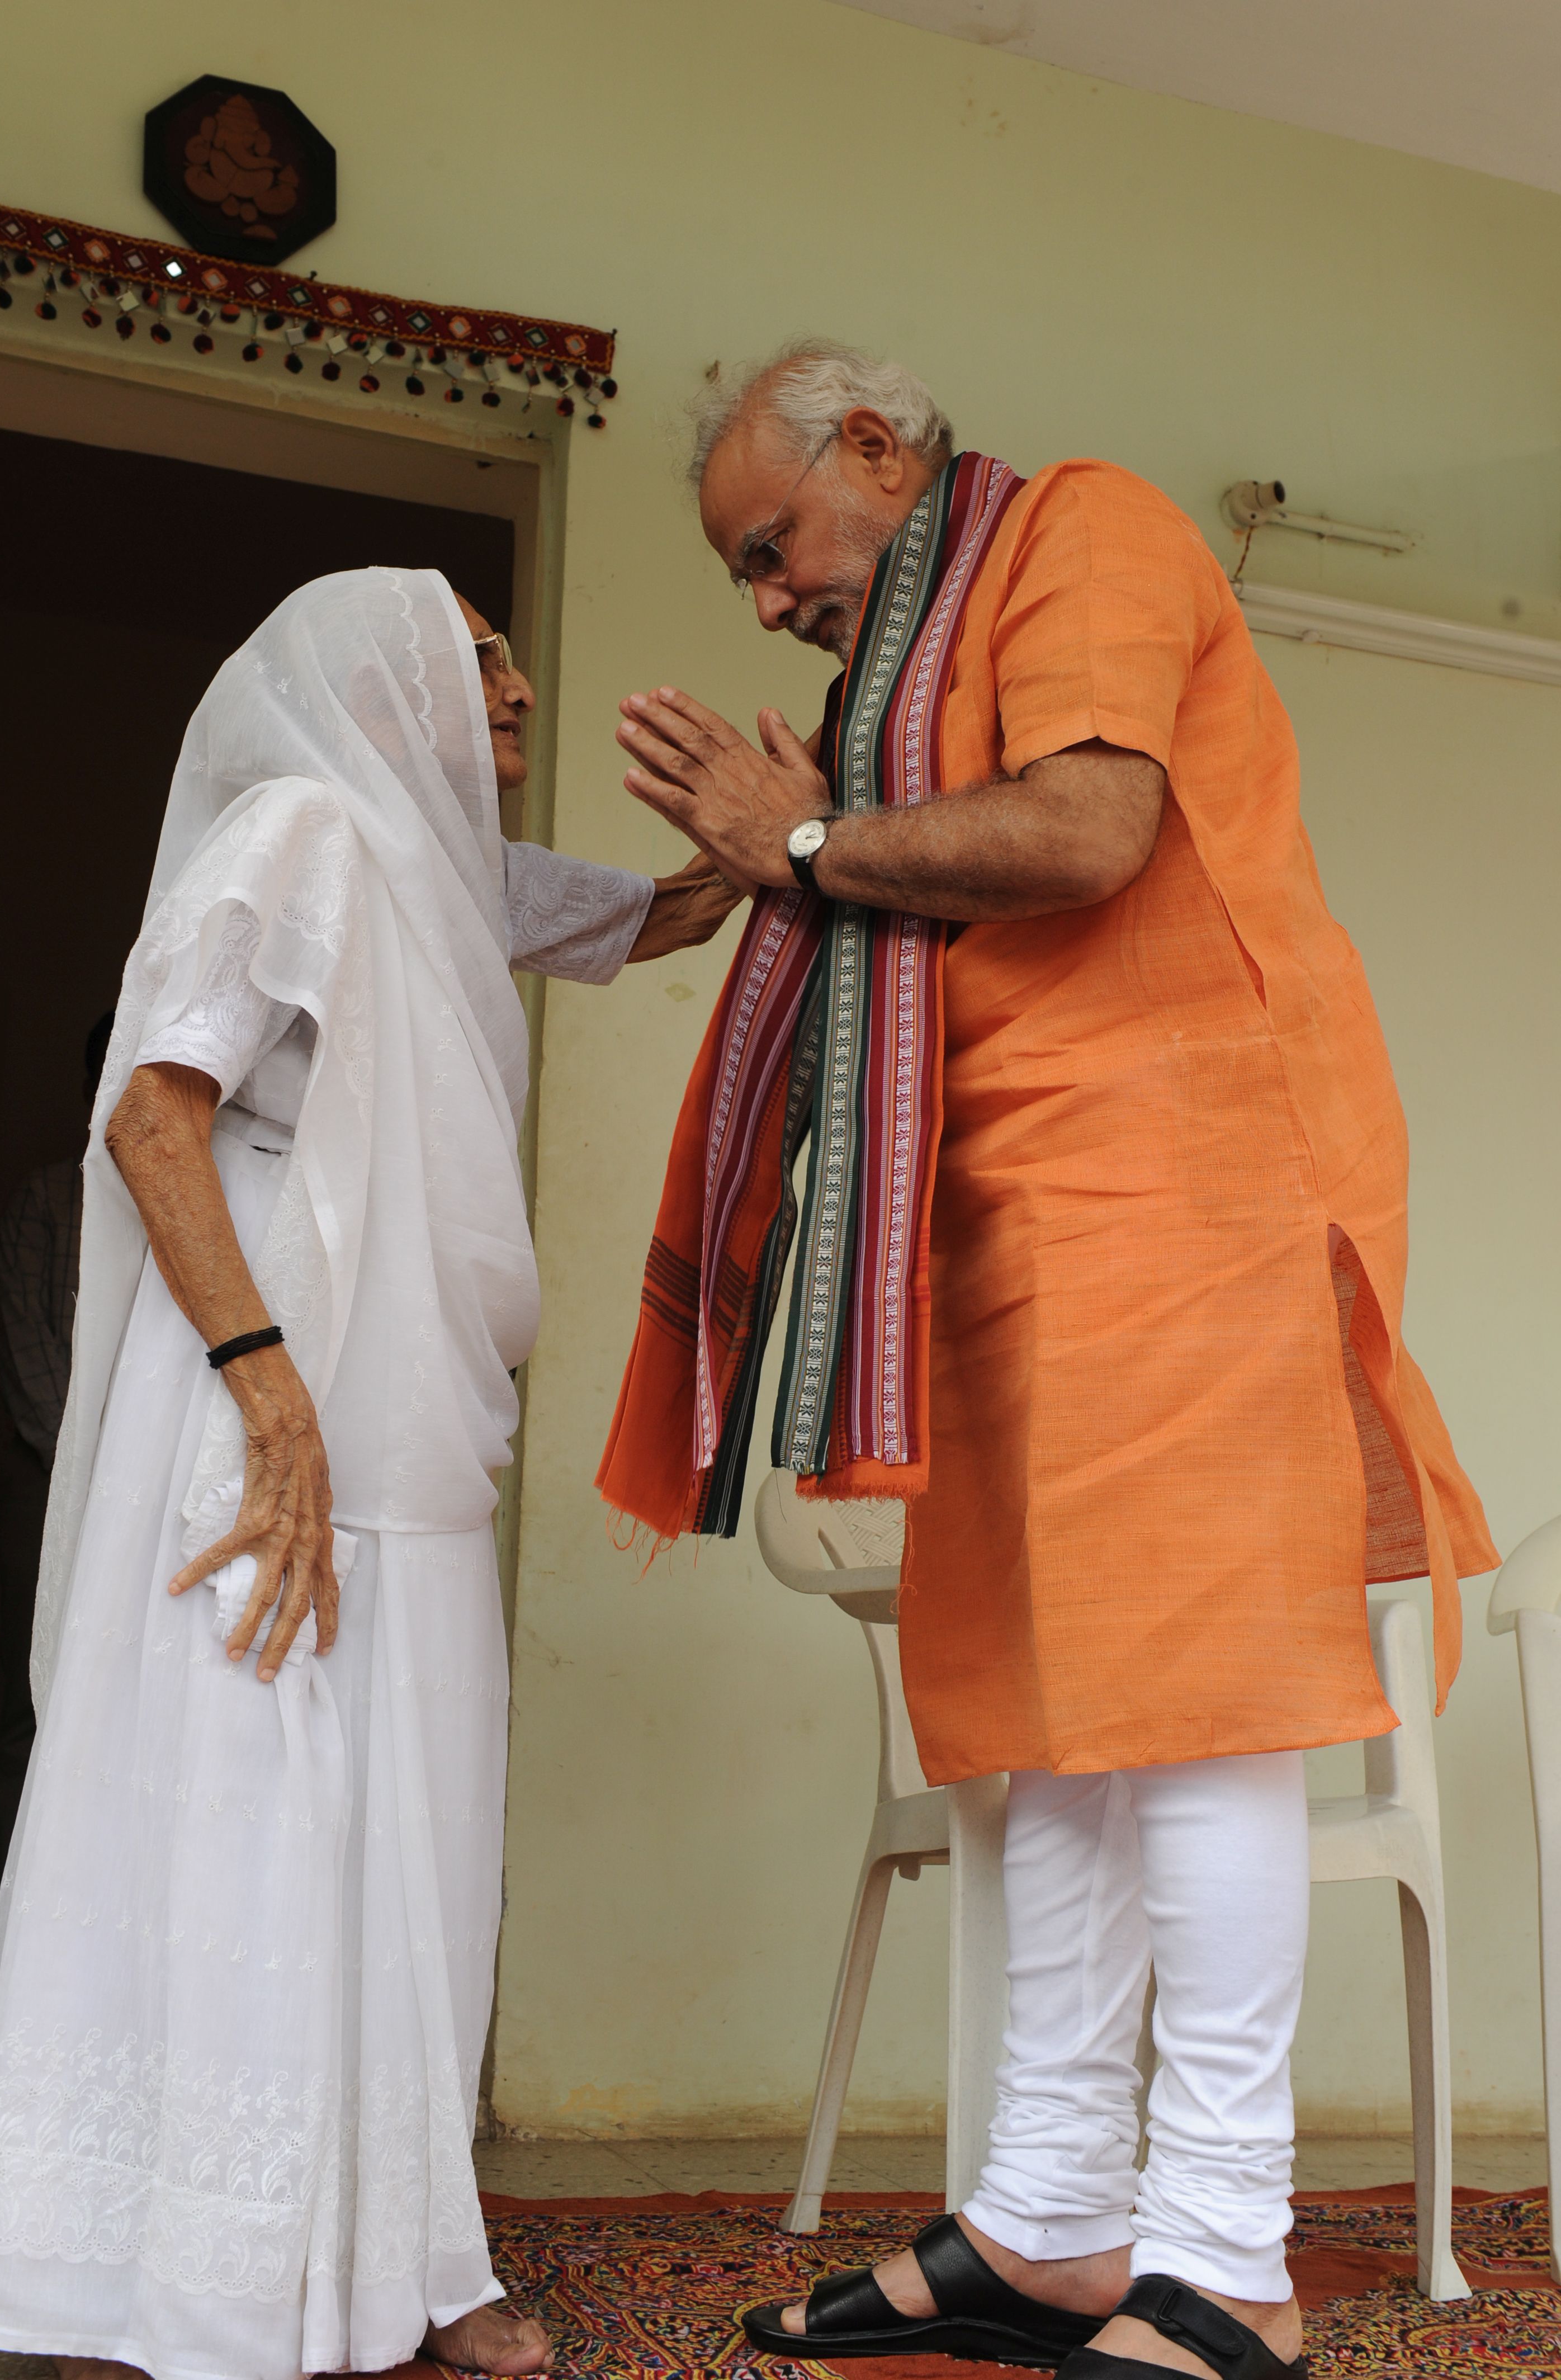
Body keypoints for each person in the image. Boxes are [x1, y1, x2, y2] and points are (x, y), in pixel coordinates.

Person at [598, 343, 1497, 2380]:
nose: (765, 600)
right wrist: (698, 872)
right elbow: (806, 873)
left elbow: (1088, 830)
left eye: (774, 547)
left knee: (1190, 1716)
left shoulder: (1081, 525)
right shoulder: (893, 670)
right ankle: (1053, 2221)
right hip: (1008, 1226)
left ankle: (1225, 2252)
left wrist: (811, 843)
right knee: (1050, 1735)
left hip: (1189, 1187)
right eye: (742, 576)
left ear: (875, 446)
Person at [0, 566, 737, 2380]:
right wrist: (266, 1383)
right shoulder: (299, 830)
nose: (525, 686)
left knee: (421, 1807)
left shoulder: (436, 870)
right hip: (264, 1362)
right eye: (481, 658)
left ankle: (415, 2252)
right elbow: (152, 1112)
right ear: (371, 675)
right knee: (245, 1787)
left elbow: (658, 918)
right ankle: (152, 2266)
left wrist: (777, 829)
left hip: (397, 1400)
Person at [0, 1013, 115, 1960]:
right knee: (36, 1707)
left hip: (169, 1512)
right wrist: (106, 1479)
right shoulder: (48, 1203)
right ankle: (11, 1935)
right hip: (53, 1486)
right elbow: (33, 1370)